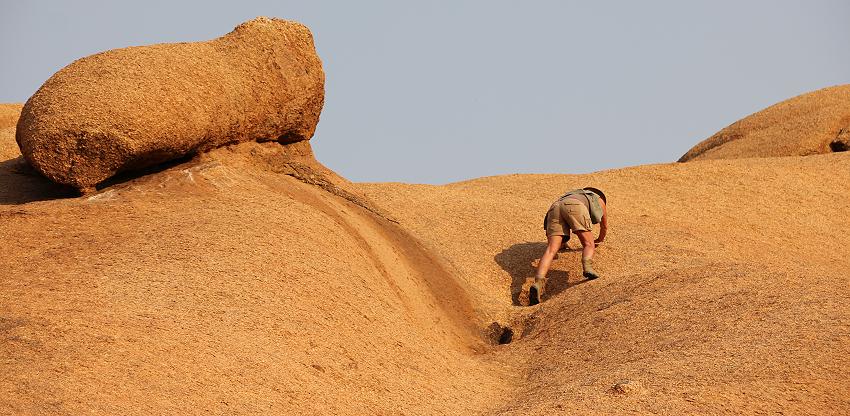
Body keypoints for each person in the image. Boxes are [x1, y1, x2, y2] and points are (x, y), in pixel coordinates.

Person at [531, 187, 608, 303]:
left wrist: (562, 243)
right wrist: (599, 240)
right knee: (588, 244)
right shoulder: (597, 198)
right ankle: (588, 268)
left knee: (551, 250)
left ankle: (538, 283)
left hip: (555, 207)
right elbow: (604, 226)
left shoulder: (569, 195)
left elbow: (564, 215)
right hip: (575, 207)